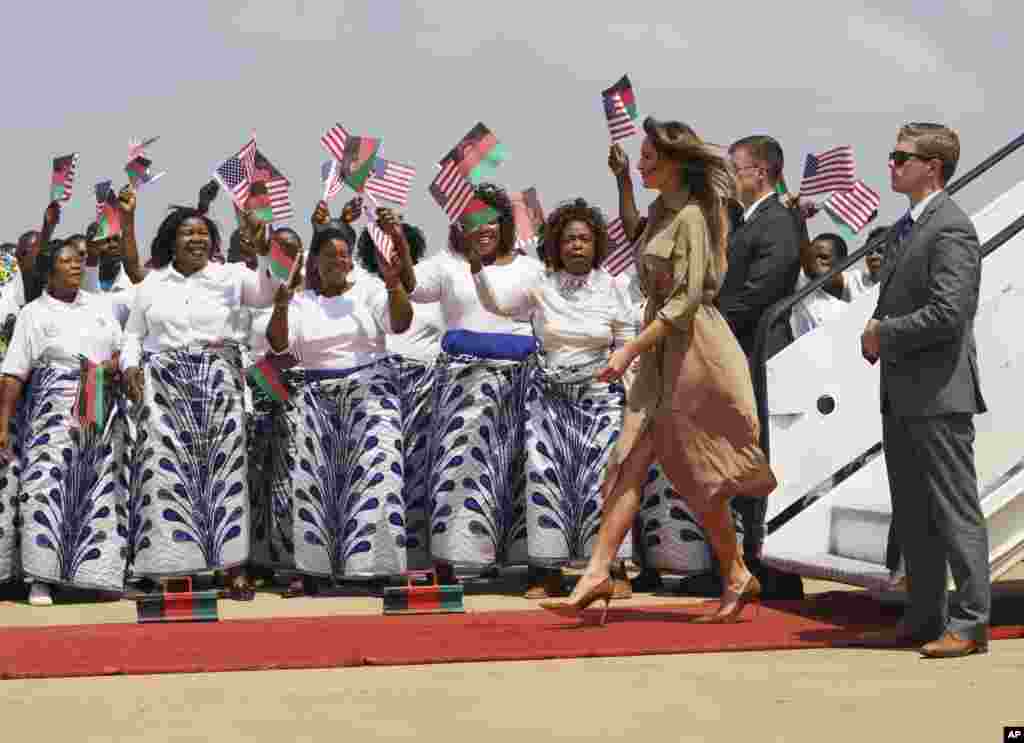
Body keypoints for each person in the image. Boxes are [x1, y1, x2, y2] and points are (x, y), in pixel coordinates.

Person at [539, 117, 776, 624]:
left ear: (674, 163)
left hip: (693, 349)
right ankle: (600, 570)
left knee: (700, 472)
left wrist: (627, 352)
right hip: (658, 350)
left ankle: (734, 573)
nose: (642, 163)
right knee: (628, 458)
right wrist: (623, 182)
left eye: (649, 158)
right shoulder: (659, 211)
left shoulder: (693, 217)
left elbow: (687, 302)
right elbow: (636, 239)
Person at [856, 122, 989, 658]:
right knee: (914, 515)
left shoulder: (951, 228)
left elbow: (949, 314)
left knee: (955, 513)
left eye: (900, 157)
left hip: (939, 394)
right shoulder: (904, 229)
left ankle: (971, 622)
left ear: (931, 167)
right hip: (904, 393)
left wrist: (881, 333)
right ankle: (924, 616)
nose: (890, 164)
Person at [471, 198, 636, 599]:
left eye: (583, 239)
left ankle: (613, 568)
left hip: (601, 399)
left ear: (597, 244)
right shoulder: (540, 286)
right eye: (567, 239)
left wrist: (629, 388)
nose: (576, 245)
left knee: (603, 481)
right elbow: (498, 304)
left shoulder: (613, 287)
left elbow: (628, 341)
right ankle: (548, 572)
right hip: (548, 400)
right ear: (555, 246)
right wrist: (476, 266)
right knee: (547, 479)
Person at [121, 207, 281, 599]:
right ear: (171, 241)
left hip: (217, 386)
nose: (197, 239)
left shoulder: (230, 277)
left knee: (225, 474)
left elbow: (270, 292)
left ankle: (232, 568)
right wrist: (128, 366)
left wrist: (264, 253)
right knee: (167, 474)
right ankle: (170, 567)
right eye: (188, 233)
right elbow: (132, 335)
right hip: (165, 389)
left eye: (203, 233)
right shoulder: (151, 284)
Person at [402, 183, 545, 582]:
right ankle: (451, 561)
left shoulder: (530, 268)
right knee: (457, 469)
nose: (481, 229)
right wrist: (394, 237)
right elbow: (410, 285)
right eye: (471, 222)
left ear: (503, 223)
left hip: (519, 383)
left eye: (490, 221)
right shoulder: (446, 265)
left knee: (517, 469)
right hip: (461, 386)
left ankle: (529, 564)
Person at [263, 224, 413, 584]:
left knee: (378, 479)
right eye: (329, 255)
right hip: (317, 400)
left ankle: (378, 570)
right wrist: (281, 307)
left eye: (344, 255)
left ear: (351, 261)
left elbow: (400, 323)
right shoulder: (301, 301)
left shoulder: (371, 291)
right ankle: (318, 571)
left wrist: (394, 284)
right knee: (317, 484)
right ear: (314, 261)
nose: (337, 261)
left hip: (370, 396)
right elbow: (280, 346)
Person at [0, 239, 126, 605]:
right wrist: (3, 425)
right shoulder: (34, 313)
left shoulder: (99, 307)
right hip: (51, 418)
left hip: (99, 412)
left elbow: (121, 350)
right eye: (67, 260)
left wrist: (109, 368)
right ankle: (42, 579)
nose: (76, 265)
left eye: (79, 260)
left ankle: (97, 576)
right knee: (45, 488)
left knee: (98, 489)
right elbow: (13, 375)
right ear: (49, 269)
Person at [718, 135, 803, 599]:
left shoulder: (777, 222)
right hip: (739, 349)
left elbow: (762, 291)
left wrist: (710, 320)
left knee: (762, 453)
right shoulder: (744, 220)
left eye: (736, 167)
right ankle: (748, 558)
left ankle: (770, 563)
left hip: (759, 350)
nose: (731, 176)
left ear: (761, 173)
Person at [357, 214, 440, 572]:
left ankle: (420, 558)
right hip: (377, 390)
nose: (388, 252)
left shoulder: (429, 290)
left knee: (420, 472)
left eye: (397, 246)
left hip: (425, 391)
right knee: (377, 473)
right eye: (381, 246)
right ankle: (377, 557)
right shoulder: (362, 289)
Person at [790, 233, 882, 339]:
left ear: (843, 261)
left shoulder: (863, 282)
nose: (815, 263)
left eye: (823, 257)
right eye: (811, 258)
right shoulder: (805, 292)